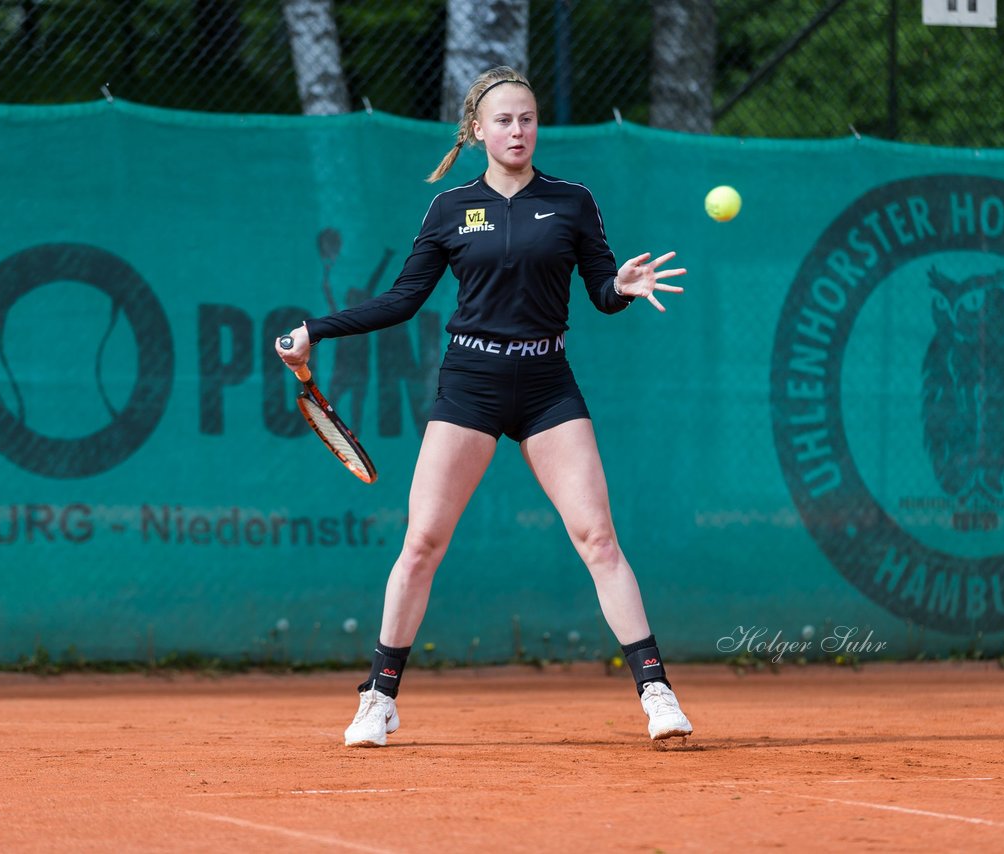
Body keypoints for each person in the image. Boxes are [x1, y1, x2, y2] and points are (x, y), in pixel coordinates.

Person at [276, 66, 692, 747]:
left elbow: (601, 291)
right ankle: (378, 699)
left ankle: (657, 691)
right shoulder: (448, 209)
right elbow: (401, 300)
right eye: (503, 120)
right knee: (421, 546)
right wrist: (316, 329)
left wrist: (620, 284)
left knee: (599, 539)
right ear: (476, 131)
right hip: (469, 385)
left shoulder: (572, 202)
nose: (518, 130)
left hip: (547, 386)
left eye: (527, 119)